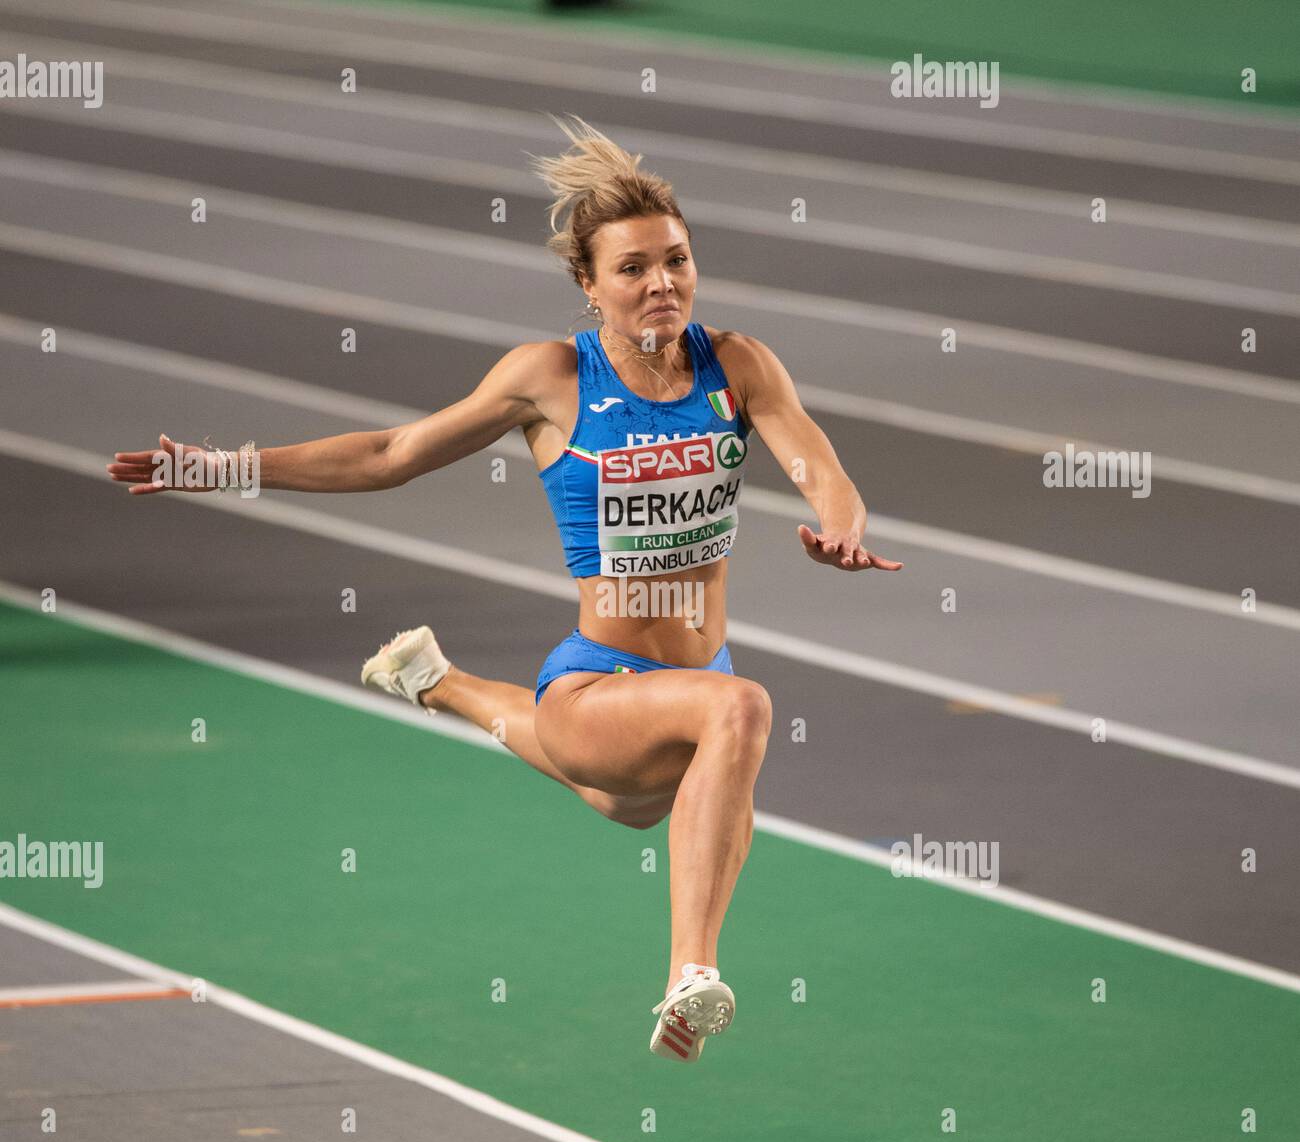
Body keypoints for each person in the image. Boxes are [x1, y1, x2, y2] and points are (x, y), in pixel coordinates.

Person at [107, 114, 902, 1063]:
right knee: (740, 711)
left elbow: (819, 465)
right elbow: (390, 455)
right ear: (589, 284)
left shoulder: (736, 364)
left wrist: (842, 525)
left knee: (634, 800)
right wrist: (222, 469)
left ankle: (435, 680)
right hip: (597, 683)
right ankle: (691, 974)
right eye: (634, 268)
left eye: (678, 261)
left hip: (671, 704)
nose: (662, 284)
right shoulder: (554, 377)